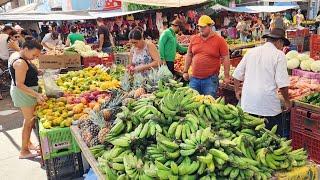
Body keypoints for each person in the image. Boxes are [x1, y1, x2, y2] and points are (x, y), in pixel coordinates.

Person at [232, 28, 291, 135]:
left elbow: (237, 75)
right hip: (268, 108)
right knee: (270, 140)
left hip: (248, 105)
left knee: (250, 139)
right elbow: (282, 84)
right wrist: (287, 102)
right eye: (283, 45)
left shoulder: (251, 52)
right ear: (279, 42)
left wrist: (237, 90)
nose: (282, 48)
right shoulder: (279, 55)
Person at [9, 40, 47, 158]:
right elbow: (20, 84)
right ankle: (24, 151)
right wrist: (36, 95)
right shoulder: (20, 63)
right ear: (25, 49)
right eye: (34, 55)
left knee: (28, 120)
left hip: (26, 92)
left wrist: (36, 72)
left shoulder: (21, 56)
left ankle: (28, 143)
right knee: (29, 122)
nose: (35, 57)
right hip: (24, 94)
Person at [183, 15, 230, 97]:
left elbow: (226, 58)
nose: (200, 29)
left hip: (210, 80)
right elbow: (189, 54)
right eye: (199, 27)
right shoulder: (194, 39)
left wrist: (226, 76)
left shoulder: (220, 40)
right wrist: (185, 71)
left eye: (203, 27)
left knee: (209, 105)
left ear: (210, 26)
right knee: (192, 102)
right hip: (194, 78)